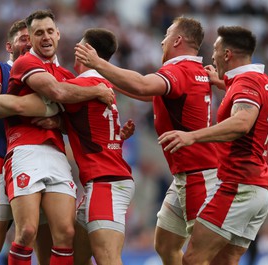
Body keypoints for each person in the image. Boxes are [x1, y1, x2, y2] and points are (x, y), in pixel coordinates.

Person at [74, 17, 219, 265]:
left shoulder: (180, 70)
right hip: (187, 176)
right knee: (164, 245)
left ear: (178, 40)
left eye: (167, 34)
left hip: (199, 177)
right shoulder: (193, 71)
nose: (162, 40)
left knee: (199, 258)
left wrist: (97, 63)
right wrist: (104, 81)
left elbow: (142, 86)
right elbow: (144, 91)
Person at [0, 9, 113, 265]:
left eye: (49, 31)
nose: (45, 37)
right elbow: (58, 92)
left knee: (66, 233)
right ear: (32, 39)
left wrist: (59, 120)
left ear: (58, 35)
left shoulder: (68, 76)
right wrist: (95, 92)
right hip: (25, 150)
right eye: (38, 33)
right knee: (26, 231)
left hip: (57, 154)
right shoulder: (27, 63)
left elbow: (76, 120)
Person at [158, 25, 268, 265]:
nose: (212, 56)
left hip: (237, 186)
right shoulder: (261, 80)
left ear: (227, 54)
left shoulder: (246, 84)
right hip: (259, 189)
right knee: (225, 260)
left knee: (193, 259)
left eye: (215, 49)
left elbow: (242, 122)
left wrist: (193, 136)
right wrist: (223, 84)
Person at [0, 19, 55, 265]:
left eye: (33, 38)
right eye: (23, 38)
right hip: (2, 161)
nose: (29, 43)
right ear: (9, 45)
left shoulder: (48, 75)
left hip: (42, 164)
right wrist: (37, 107)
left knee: (48, 252)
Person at [60, 28, 135, 265]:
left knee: (108, 259)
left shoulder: (85, 84)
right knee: (75, 258)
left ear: (87, 51)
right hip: (103, 181)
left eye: (79, 45)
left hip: (106, 183)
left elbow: (52, 95)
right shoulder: (104, 84)